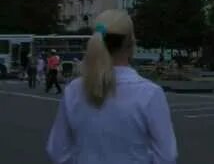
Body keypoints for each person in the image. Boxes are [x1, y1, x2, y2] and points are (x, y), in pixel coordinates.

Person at [46, 10, 177, 164]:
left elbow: (56, 151)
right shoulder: (150, 93)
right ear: (131, 43)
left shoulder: (74, 90)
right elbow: (167, 156)